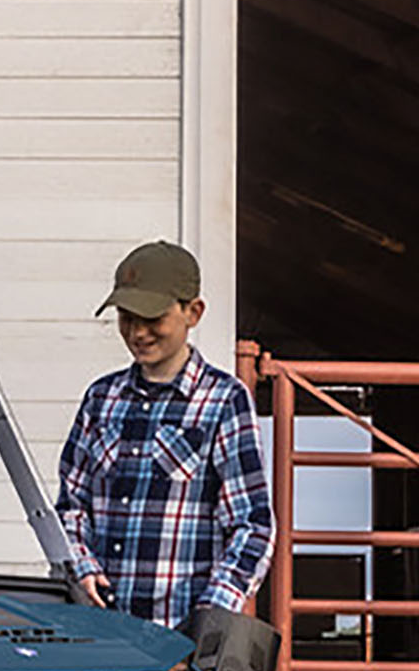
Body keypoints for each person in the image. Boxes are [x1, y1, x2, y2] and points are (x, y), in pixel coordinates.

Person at [56, 240, 273, 632]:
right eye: (126, 317)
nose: (137, 332)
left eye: (151, 317)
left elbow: (252, 526)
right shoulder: (100, 399)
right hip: (96, 635)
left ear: (194, 312)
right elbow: (70, 506)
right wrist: (81, 566)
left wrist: (208, 621)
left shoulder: (224, 401)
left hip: (178, 642)